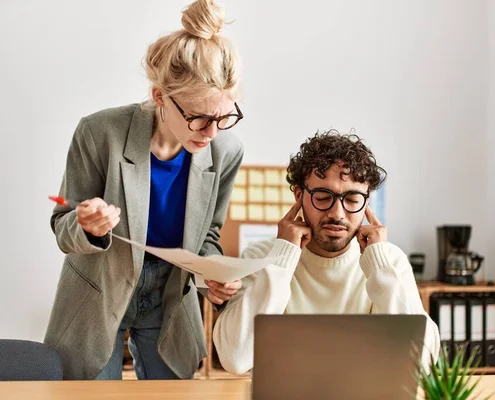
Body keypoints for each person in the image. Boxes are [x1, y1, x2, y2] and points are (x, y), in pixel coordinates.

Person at [45, 0, 244, 380]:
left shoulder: (226, 151)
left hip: (171, 296)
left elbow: (209, 235)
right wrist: (86, 225)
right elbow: (62, 225)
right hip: (98, 294)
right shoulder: (99, 133)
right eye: (200, 117)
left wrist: (215, 274)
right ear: (159, 97)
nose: (213, 132)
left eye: (225, 116)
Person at [213, 130, 441, 374]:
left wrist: (381, 267)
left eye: (353, 200)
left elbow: (422, 364)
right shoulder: (262, 257)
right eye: (323, 197)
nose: (337, 213)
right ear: (299, 196)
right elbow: (234, 358)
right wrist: (281, 259)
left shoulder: (389, 261)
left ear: (367, 202)